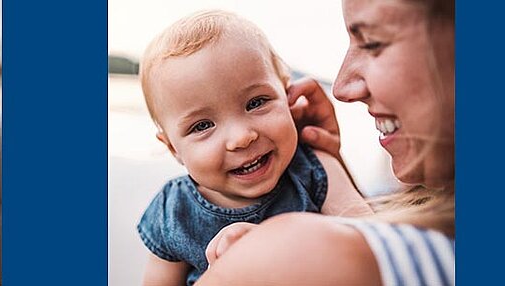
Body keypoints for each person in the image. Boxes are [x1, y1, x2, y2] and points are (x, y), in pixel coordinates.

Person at [194, 0, 456, 284]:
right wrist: (332, 171)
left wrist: (258, 258)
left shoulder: (282, 260)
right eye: (202, 125)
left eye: (372, 43)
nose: (340, 87)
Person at [135, 10, 372, 286]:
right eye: (202, 126)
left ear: (287, 96)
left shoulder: (314, 170)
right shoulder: (173, 211)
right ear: (174, 148)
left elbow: (374, 243)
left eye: (256, 102)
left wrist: (271, 248)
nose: (241, 138)